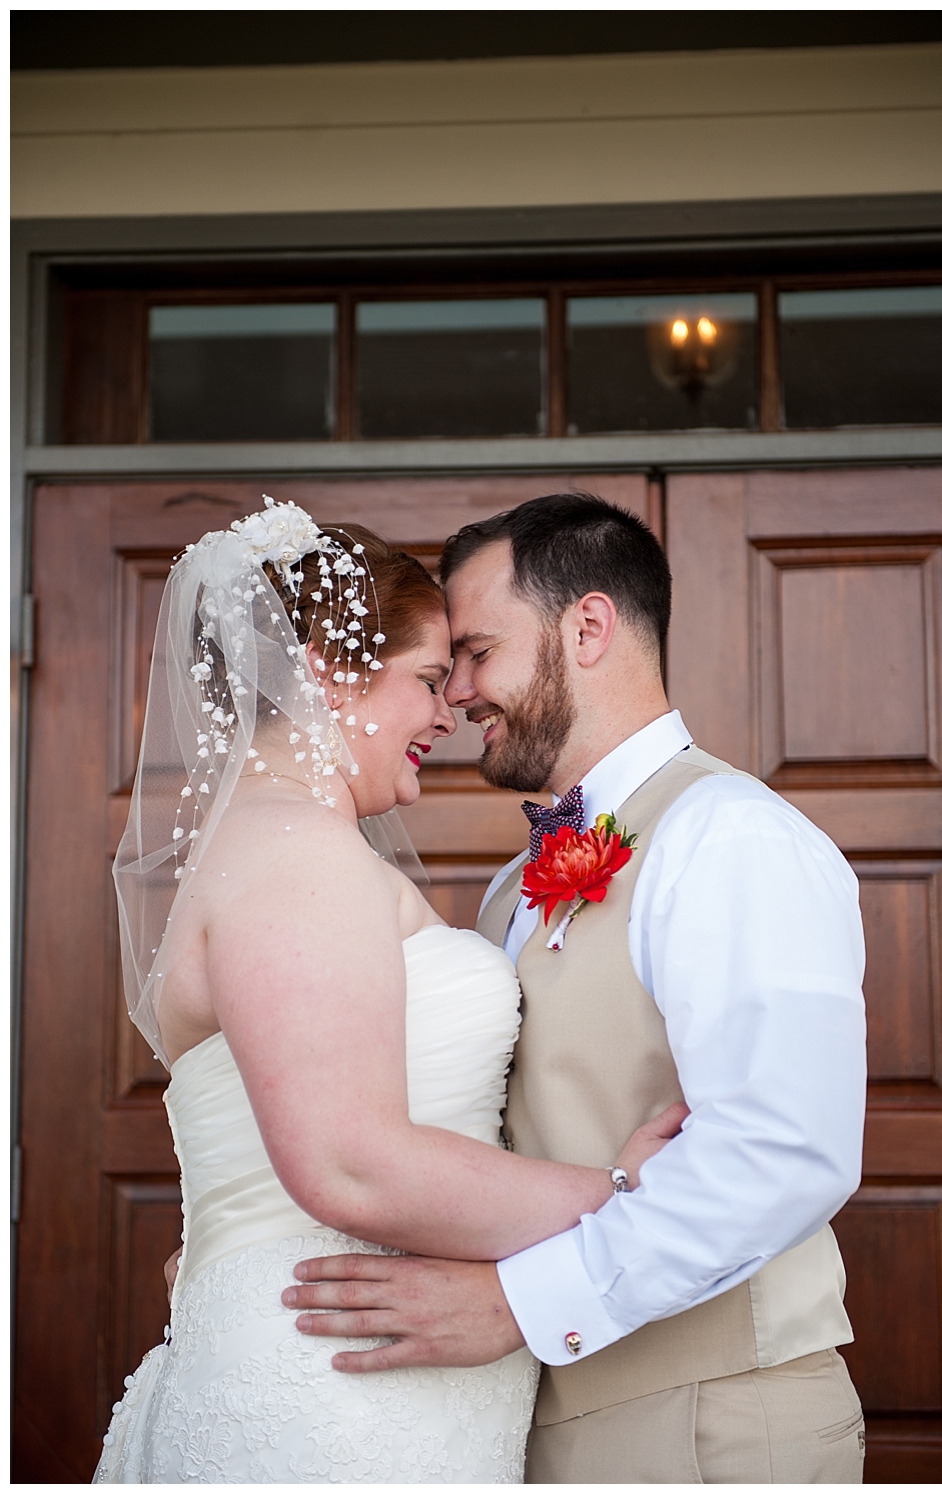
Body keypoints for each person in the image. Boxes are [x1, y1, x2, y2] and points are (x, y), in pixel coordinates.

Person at [96, 498, 684, 1484]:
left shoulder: (277, 847)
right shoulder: (298, 856)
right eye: (423, 678)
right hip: (334, 1393)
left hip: (358, 1370)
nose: (447, 710)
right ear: (327, 672)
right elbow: (352, 1165)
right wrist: (619, 1195)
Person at [285, 492, 869, 1484]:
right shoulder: (516, 884)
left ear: (586, 626)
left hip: (709, 1422)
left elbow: (783, 1151)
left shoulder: (731, 836)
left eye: (474, 651)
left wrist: (518, 1302)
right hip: (530, 1415)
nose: (453, 694)